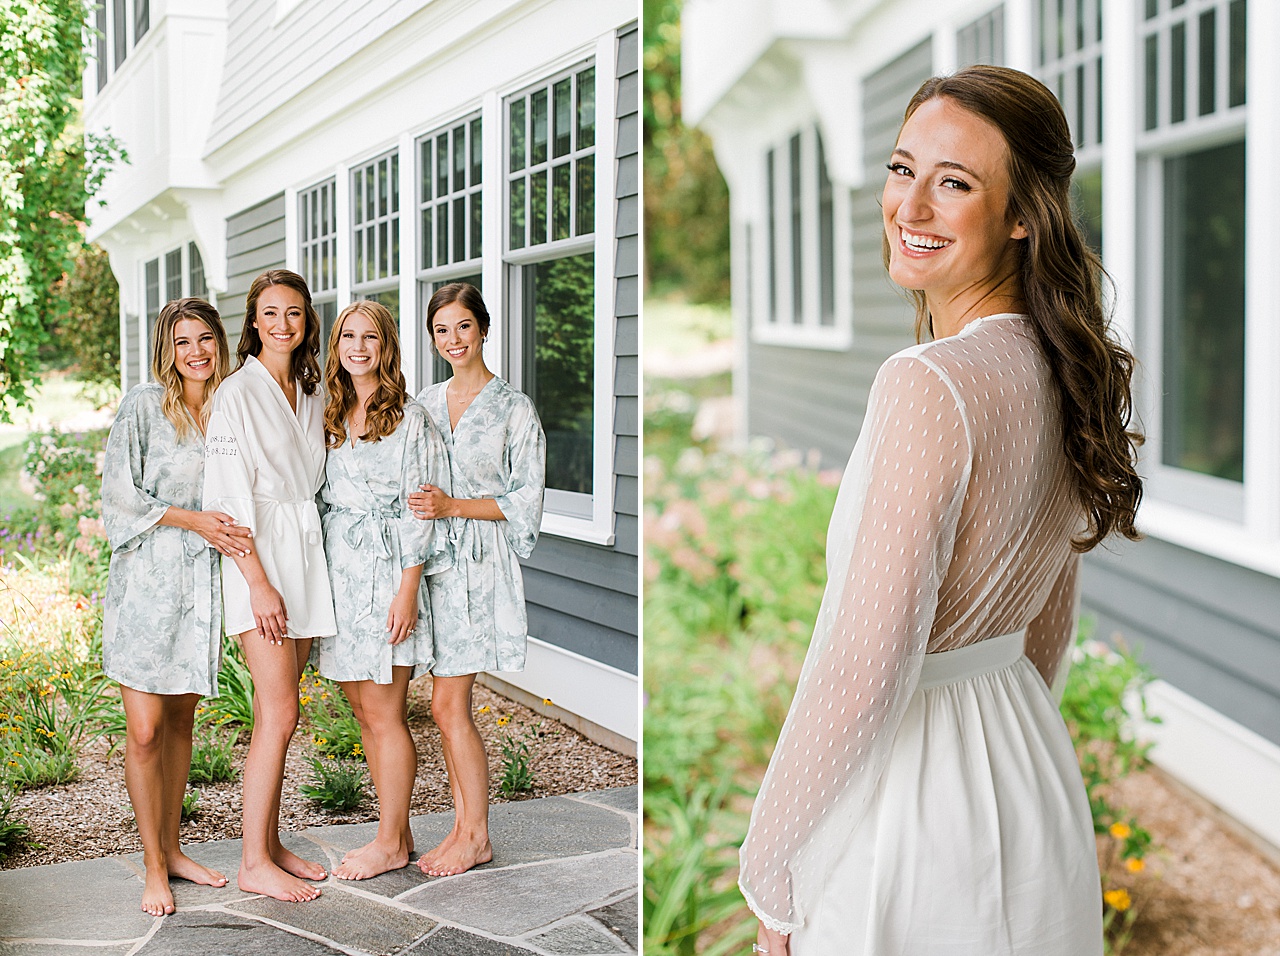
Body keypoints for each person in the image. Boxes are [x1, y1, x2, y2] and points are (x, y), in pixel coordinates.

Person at [740, 65, 1144, 956]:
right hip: (1029, 775)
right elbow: (1049, 623)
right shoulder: (1062, 369)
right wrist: (1004, 729)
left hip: (913, 807)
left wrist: (774, 868)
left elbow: (865, 665)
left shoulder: (928, 384)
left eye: (953, 183)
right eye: (901, 169)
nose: (911, 206)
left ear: (1020, 215)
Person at [102, 297, 252, 916]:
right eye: (182, 341)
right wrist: (193, 520)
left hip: (200, 590)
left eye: (205, 340)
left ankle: (176, 849)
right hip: (145, 585)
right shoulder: (142, 406)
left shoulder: (230, 407)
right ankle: (152, 864)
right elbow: (118, 493)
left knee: (182, 722)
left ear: (218, 343)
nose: (196, 352)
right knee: (144, 731)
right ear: (168, 348)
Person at [203, 269, 336, 903]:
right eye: (271, 313)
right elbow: (227, 503)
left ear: (307, 320)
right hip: (259, 558)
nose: (284, 324)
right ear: (253, 322)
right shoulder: (236, 393)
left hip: (306, 553)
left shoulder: (310, 388)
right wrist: (258, 584)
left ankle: (271, 841)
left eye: (295, 313)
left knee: (277, 713)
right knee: (278, 712)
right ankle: (254, 860)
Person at [407, 282, 546, 877]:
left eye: (463, 326)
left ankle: (475, 835)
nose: (453, 339)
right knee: (444, 705)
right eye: (442, 329)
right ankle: (464, 828)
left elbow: (526, 501)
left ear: (484, 329)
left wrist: (453, 507)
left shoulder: (514, 408)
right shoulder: (424, 404)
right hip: (433, 567)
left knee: (447, 703)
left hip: (479, 567)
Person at [313, 300, 451, 880]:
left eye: (371, 338)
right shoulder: (327, 410)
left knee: (387, 711)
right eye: (349, 336)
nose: (359, 348)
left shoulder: (410, 418)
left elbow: (422, 509)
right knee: (364, 711)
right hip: (338, 572)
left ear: (387, 346)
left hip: (389, 572)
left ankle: (391, 840)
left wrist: (408, 588)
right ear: (337, 344)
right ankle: (396, 830)